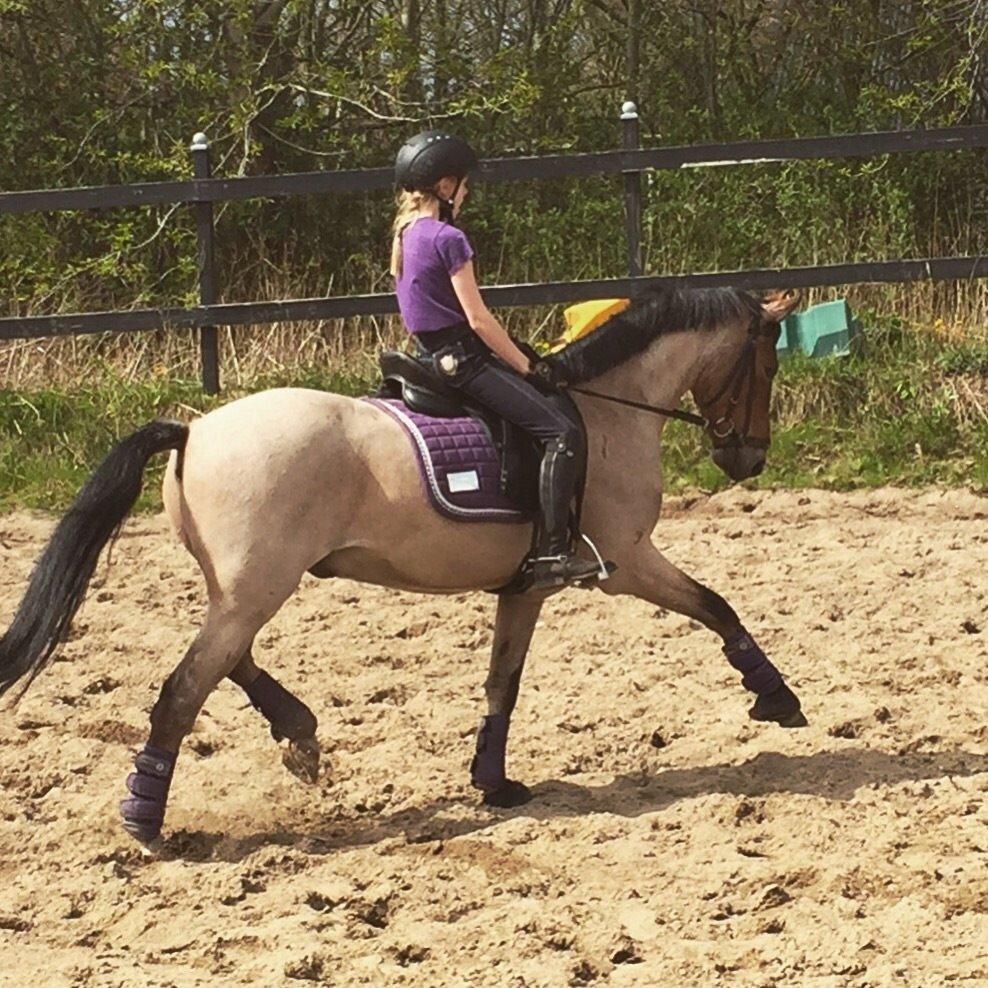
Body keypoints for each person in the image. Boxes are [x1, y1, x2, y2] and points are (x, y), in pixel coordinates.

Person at [390, 130, 601, 592]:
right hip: (463, 359)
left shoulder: (405, 235)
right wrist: (530, 367)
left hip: (427, 355)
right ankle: (551, 554)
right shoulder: (449, 238)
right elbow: (479, 320)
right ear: (445, 188)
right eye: (463, 187)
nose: (466, 195)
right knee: (561, 430)